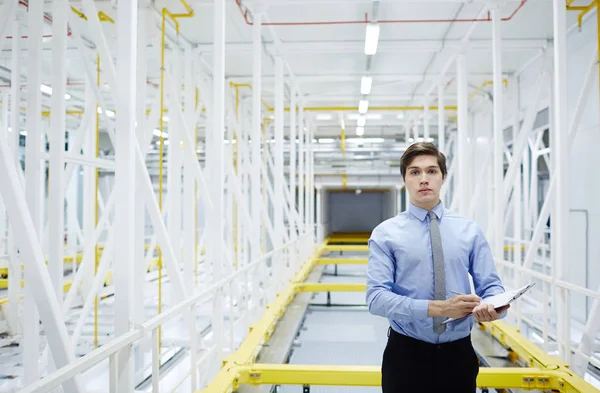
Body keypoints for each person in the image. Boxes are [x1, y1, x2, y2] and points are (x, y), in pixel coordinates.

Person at [366, 142, 508, 393]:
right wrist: (439, 308)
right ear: (404, 179)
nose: (424, 179)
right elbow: (376, 299)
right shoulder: (385, 233)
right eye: (415, 172)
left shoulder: (469, 230)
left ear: (443, 177)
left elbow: (491, 285)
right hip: (405, 355)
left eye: (431, 171)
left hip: (458, 355)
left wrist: (495, 307)